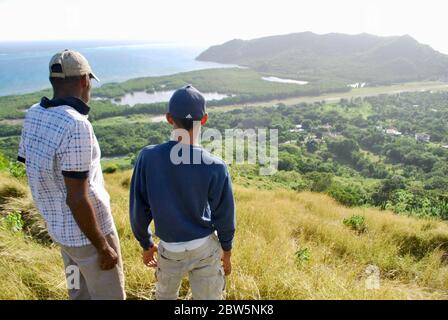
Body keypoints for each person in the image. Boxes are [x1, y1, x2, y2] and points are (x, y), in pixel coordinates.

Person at [17, 49, 125, 300]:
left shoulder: (34, 114)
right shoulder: (76, 125)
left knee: (78, 292)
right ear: (85, 80)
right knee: (109, 296)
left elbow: (36, 171)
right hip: (89, 237)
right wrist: (103, 247)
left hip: (61, 233)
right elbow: (76, 197)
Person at [130, 85, 236, 300]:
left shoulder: (148, 157)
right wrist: (227, 251)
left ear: (169, 118)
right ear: (204, 119)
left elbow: (138, 208)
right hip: (204, 247)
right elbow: (224, 216)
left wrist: (146, 244)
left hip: (170, 250)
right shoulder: (215, 165)